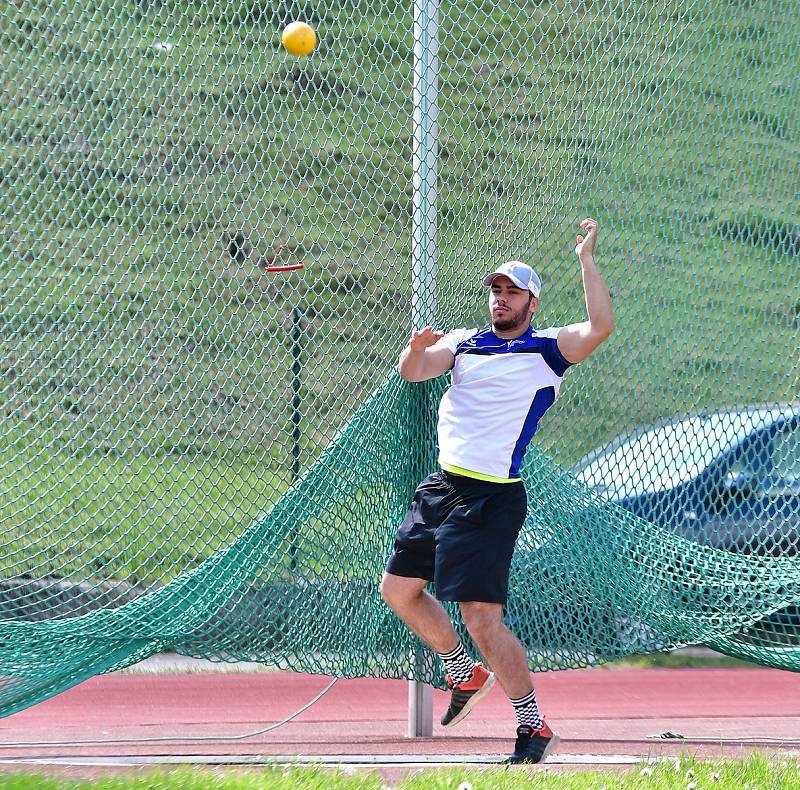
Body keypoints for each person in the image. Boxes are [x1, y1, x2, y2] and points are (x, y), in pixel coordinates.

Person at [380, 218, 614, 764]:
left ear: (532, 302)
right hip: (443, 487)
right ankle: (463, 670)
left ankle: (533, 727)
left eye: (512, 292)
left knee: (483, 619)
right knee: (399, 591)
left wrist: (586, 261)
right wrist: (415, 351)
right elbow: (415, 372)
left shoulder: (550, 350)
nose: (500, 299)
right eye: (496, 291)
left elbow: (600, 325)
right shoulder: (464, 343)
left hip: (492, 499)